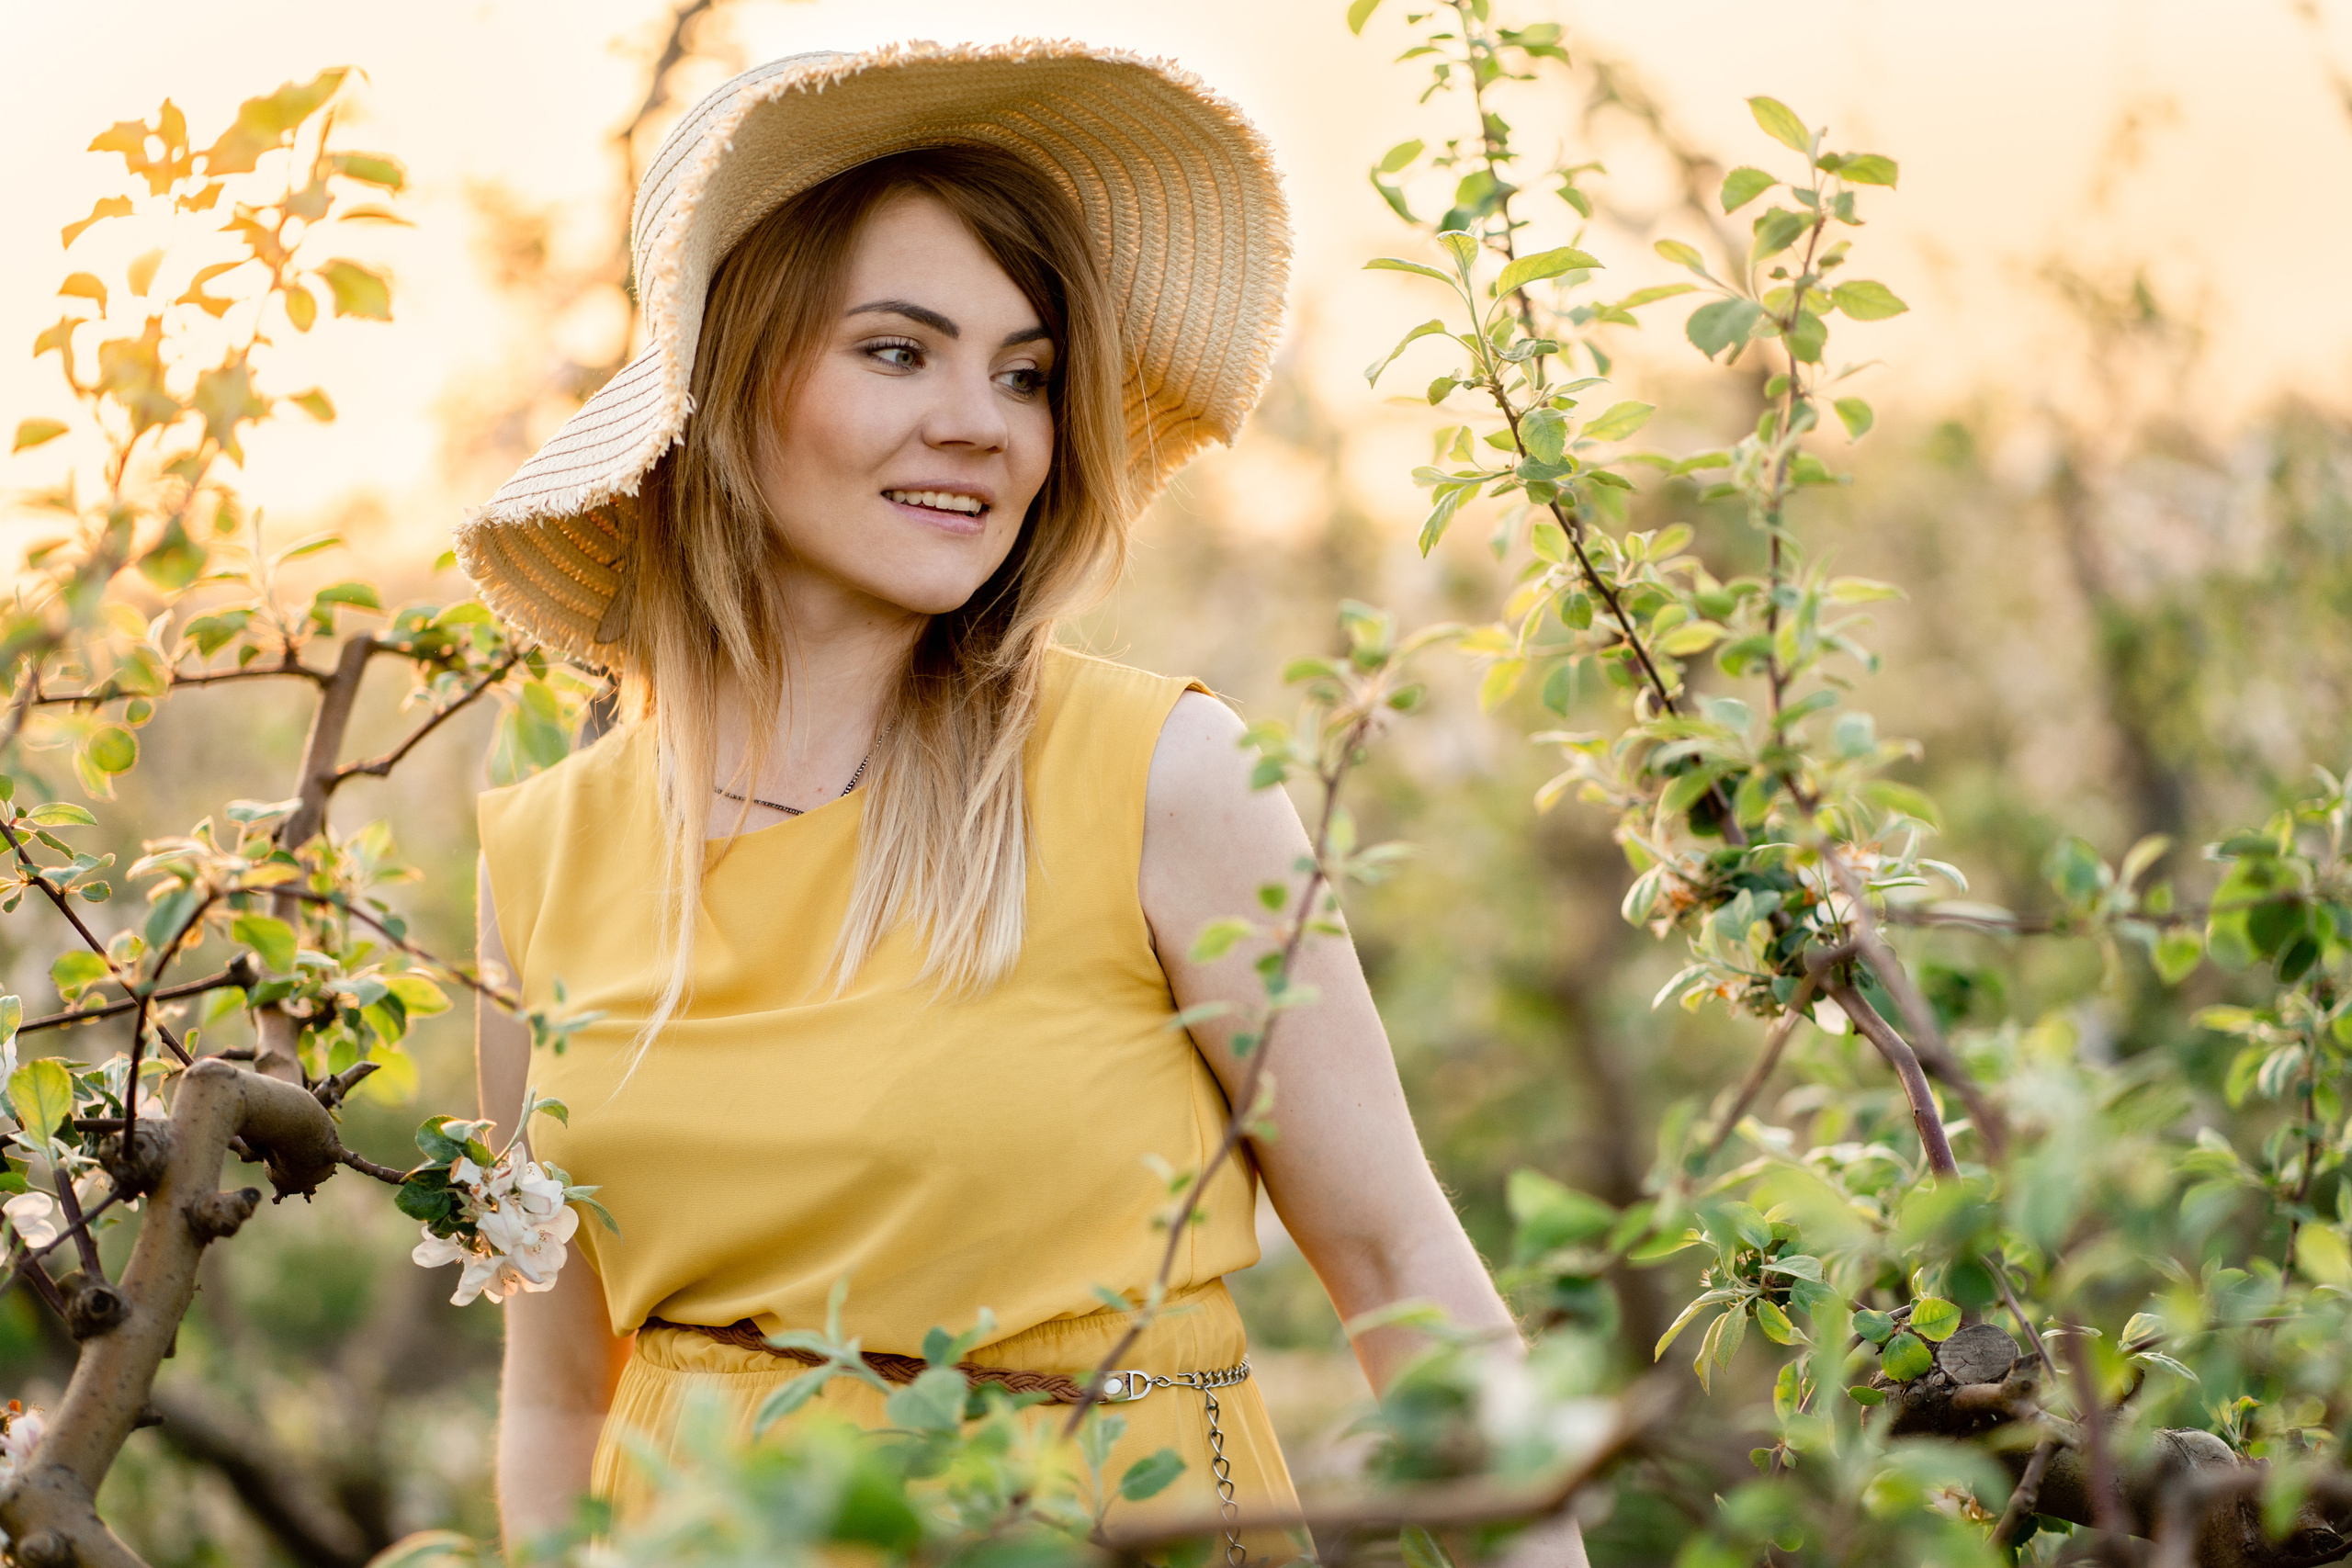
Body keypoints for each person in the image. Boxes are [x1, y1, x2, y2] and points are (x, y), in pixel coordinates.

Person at [460, 41, 1573, 1563]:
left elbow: (1399, 1264)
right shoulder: (542, 858)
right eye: (898, 352)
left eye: (1026, 374)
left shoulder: (1165, 776)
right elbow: (556, 1394)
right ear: (720, 389)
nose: (983, 423)